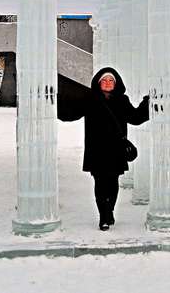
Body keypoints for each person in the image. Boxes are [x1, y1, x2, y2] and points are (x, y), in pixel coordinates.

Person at [57, 67, 149, 231]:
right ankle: (104, 217)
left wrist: (148, 103)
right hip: (97, 150)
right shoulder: (89, 99)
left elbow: (136, 118)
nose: (107, 83)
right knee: (100, 184)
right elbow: (70, 114)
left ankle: (109, 211)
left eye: (110, 81)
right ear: (99, 83)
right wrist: (52, 101)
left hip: (116, 150)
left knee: (113, 184)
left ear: (116, 84)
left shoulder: (122, 101)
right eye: (104, 81)